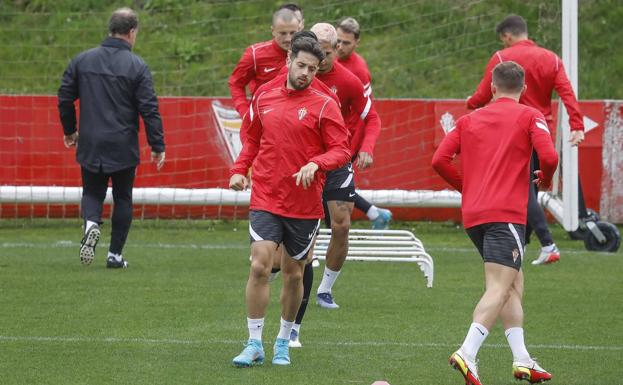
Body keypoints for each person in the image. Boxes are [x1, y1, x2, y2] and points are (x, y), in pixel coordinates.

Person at [433, 61, 558, 385]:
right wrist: (544, 179)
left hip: (474, 216)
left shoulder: (468, 119)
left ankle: (522, 359)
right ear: (525, 89)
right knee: (500, 286)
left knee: (513, 285)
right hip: (506, 214)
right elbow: (550, 157)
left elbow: (439, 160)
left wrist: (467, 187)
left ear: (491, 87)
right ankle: (467, 352)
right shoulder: (530, 115)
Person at [229, 34, 350, 367]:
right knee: (259, 265)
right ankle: (254, 343)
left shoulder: (325, 103)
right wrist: (240, 169)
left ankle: (283, 339)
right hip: (266, 194)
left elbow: (341, 149)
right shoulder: (264, 96)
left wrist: (317, 163)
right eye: (301, 65)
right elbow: (251, 140)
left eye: (312, 69)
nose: (306, 73)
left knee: (295, 273)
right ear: (288, 61)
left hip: (304, 203)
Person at [467, 14, 586, 265]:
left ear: (507, 36)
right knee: (528, 188)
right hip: (542, 133)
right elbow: (567, 92)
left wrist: (471, 104)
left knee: (523, 192)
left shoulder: (502, 58)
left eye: (503, 40)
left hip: (513, 133)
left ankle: (548, 244)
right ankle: (522, 242)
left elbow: (482, 94)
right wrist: (576, 124)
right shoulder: (551, 59)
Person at [58, 7, 165, 269]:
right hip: (123, 144)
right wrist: (157, 144)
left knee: (92, 191)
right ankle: (115, 255)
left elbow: (64, 98)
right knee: (123, 197)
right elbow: (149, 109)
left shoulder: (82, 61)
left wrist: (70, 131)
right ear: (131, 32)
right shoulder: (137, 66)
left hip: (91, 141)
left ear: (110, 29)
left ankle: (92, 223)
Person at [335, 16, 392, 229]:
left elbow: (367, 114)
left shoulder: (358, 70)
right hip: (330, 135)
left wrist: (359, 147)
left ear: (357, 42)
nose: (340, 46)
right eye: (338, 40)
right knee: (332, 185)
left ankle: (330, 235)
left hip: (347, 138)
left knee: (331, 186)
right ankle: (375, 213)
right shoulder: (328, 60)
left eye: (346, 43)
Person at [228, 8, 301, 119]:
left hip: (298, 119)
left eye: (292, 33)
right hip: (263, 121)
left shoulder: (307, 54)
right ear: (273, 30)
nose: (288, 38)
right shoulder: (255, 54)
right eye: (283, 33)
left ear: (299, 29)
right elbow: (236, 83)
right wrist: (245, 112)